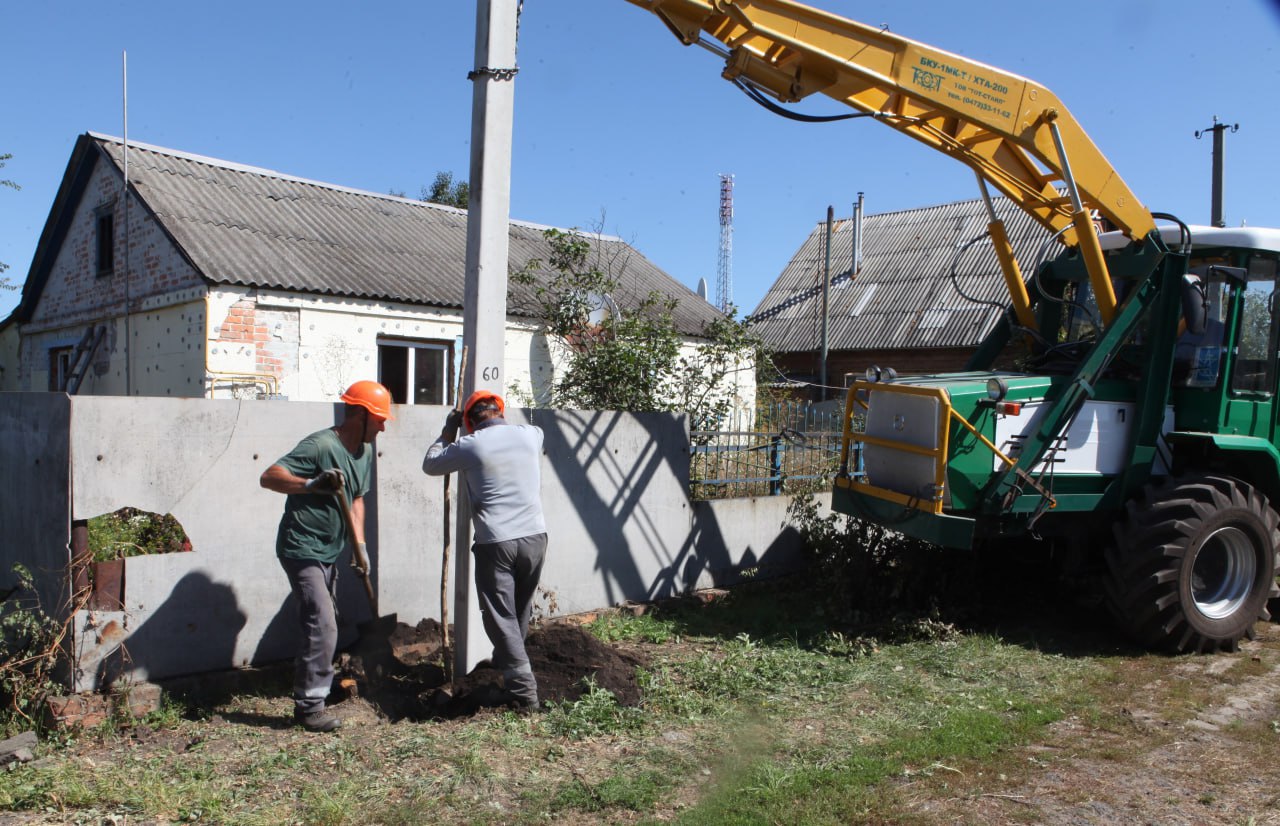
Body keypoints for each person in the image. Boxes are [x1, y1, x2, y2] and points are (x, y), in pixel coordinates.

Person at [259, 380, 393, 732]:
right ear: (360, 415)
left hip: (330, 550)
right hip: (301, 547)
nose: (383, 426)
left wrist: (359, 546)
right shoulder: (319, 445)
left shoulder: (363, 453)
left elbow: (358, 499)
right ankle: (309, 707)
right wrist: (309, 484)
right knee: (323, 622)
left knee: (322, 619)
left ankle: (314, 686)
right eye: (379, 419)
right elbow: (269, 477)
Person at [422, 390, 547, 711]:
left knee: (500, 618)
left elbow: (431, 464)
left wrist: (448, 431)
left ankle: (525, 693)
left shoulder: (471, 444)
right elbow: (525, 438)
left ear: (469, 423)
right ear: (500, 411)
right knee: (520, 610)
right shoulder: (531, 435)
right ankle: (507, 664)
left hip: (497, 542)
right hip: (535, 538)